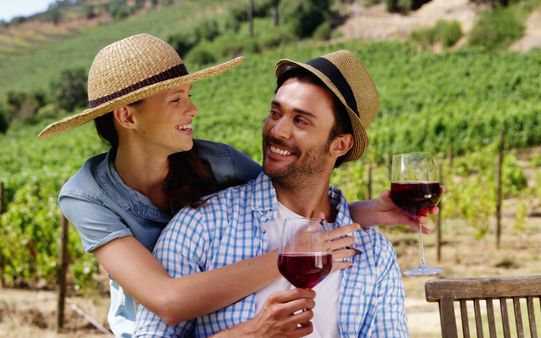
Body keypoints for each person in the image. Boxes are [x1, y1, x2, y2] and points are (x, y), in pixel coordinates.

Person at [37, 34, 424, 337]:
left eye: (300, 120)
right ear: (127, 116)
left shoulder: (219, 163)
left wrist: (361, 214)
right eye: (176, 100)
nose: (193, 110)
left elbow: (292, 198)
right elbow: (168, 301)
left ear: (341, 145)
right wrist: (291, 261)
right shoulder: (88, 195)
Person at [135, 50, 409, 337]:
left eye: (300, 121)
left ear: (339, 145)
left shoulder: (373, 254)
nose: (277, 130)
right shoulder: (203, 225)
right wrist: (252, 332)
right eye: (275, 113)